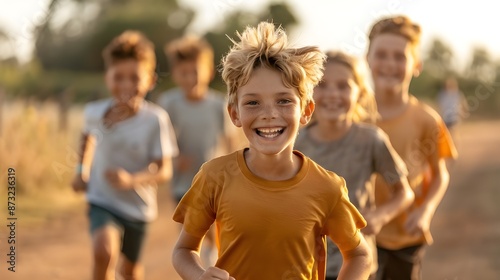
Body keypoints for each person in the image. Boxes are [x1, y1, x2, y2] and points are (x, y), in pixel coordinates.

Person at [171, 21, 372, 280]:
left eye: (284, 101)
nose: (269, 115)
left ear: (306, 111)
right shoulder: (214, 176)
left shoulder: (327, 188)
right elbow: (184, 249)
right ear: (235, 114)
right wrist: (199, 275)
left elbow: (359, 255)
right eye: (253, 102)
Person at [294, 51, 415, 280]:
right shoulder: (296, 144)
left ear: (359, 93)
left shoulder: (371, 140)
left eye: (343, 86)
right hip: (308, 267)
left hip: (359, 267)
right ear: (308, 92)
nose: (332, 94)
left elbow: (404, 193)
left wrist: (379, 216)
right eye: (323, 85)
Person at [71, 30, 178, 280]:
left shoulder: (156, 120)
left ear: (150, 80)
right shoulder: (95, 112)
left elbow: (164, 170)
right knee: (103, 251)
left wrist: (132, 180)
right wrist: (80, 172)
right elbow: (87, 137)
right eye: (118, 77)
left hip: (138, 208)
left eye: (134, 78)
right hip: (101, 199)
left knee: (130, 272)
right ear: (107, 77)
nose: (126, 85)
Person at [365, 15, 458, 280]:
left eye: (400, 57)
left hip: (405, 237)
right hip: (357, 232)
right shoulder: (353, 116)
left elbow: (440, 174)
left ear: (416, 64)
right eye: (381, 55)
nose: (389, 64)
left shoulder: (426, 120)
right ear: (367, 59)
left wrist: (425, 211)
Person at [156, 34, 237, 267]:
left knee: (212, 225)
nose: (190, 77)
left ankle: (211, 260)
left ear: (209, 71)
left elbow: (229, 140)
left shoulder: (218, 104)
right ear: (175, 74)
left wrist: (232, 171)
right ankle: (195, 265)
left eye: (195, 71)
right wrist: (174, 156)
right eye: (184, 72)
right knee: (190, 228)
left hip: (213, 179)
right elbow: (162, 138)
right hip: (183, 180)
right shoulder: (169, 102)